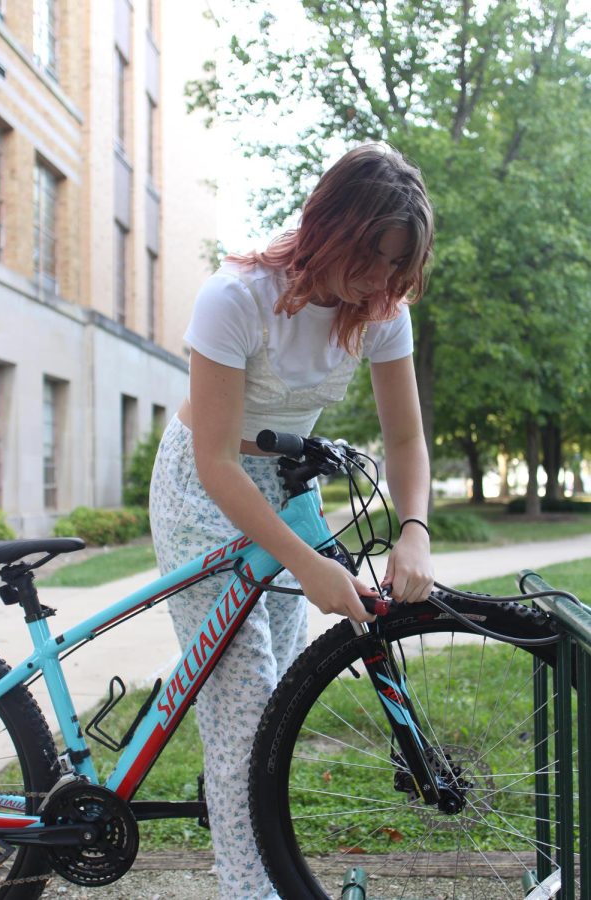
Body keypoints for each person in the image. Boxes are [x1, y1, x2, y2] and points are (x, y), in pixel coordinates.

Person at [149, 142, 435, 900]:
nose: (379, 284)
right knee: (246, 713)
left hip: (287, 480)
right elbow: (214, 460)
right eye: (370, 259)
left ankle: (255, 867)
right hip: (202, 488)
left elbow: (405, 438)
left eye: (395, 269)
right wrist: (309, 565)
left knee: (274, 700)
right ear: (329, 228)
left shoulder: (380, 313)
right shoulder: (235, 297)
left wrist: (415, 529)